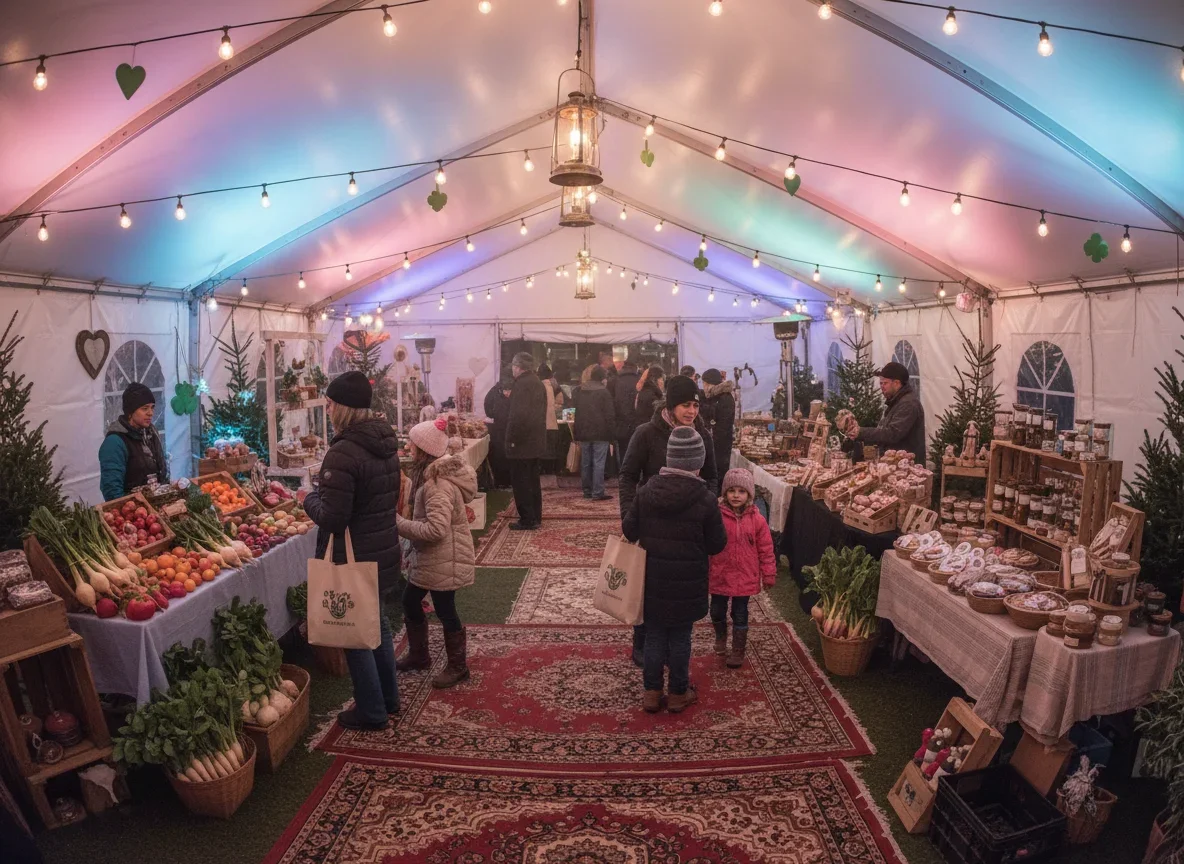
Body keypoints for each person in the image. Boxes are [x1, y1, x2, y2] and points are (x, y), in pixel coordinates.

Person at [303, 371, 401, 730]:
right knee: (378, 625)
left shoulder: (343, 452)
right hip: (383, 549)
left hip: (357, 554)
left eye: (329, 403)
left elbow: (333, 517)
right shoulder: (385, 442)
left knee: (355, 632)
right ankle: (389, 699)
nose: (326, 409)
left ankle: (372, 711)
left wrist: (309, 499)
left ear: (341, 407)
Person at [623, 426, 727, 713]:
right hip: (688, 584)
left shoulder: (646, 492)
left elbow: (629, 530)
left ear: (669, 458)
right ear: (698, 462)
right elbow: (717, 544)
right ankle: (679, 693)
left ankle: (651, 693)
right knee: (681, 637)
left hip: (652, 580)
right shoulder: (705, 499)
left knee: (654, 635)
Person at [619, 374, 719, 667]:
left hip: (689, 526)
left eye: (695, 405)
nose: (691, 411)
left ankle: (673, 651)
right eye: (685, 405)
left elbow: (713, 475)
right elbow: (627, 475)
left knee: (679, 588)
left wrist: (707, 507)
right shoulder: (646, 434)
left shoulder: (704, 436)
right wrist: (629, 512)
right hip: (652, 523)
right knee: (645, 585)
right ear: (671, 405)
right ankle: (642, 640)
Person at [394, 418, 478, 689]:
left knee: (445, 609)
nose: (408, 448)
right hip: (433, 558)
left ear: (424, 450)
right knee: (409, 601)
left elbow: (437, 530)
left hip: (443, 558)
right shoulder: (430, 478)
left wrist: (397, 524)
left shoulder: (437, 485)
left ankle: (458, 666)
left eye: (413, 444)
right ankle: (420, 655)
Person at [709, 468, 776, 668]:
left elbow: (766, 548)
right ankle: (721, 636)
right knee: (716, 610)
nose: (736, 495)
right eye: (732, 491)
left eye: (741, 491)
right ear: (725, 493)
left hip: (744, 576)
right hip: (720, 573)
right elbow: (707, 543)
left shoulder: (757, 519)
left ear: (749, 494)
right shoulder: (716, 516)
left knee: (740, 612)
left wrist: (769, 574)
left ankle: (738, 649)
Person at [845, 361, 926, 463]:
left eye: (885, 383)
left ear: (897, 383)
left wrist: (860, 431)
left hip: (907, 467)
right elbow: (883, 429)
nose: (882, 387)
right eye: (881, 383)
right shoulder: (897, 401)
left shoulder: (908, 404)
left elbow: (892, 433)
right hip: (898, 464)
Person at [99, 383, 169, 501]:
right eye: (145, 408)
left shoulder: (150, 433)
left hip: (156, 505)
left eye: (152, 407)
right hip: (134, 512)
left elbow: (160, 472)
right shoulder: (115, 442)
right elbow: (112, 491)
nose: (150, 413)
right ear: (130, 412)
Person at [505, 352, 548, 530]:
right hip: (535, 440)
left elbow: (518, 416)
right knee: (532, 481)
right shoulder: (538, 383)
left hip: (522, 443)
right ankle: (535, 516)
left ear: (518, 367)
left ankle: (527, 519)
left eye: (514, 367)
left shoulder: (522, 385)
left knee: (522, 482)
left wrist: (511, 439)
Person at [573, 366, 616, 501]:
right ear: (602, 378)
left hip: (584, 431)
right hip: (601, 432)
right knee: (598, 462)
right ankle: (598, 492)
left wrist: (576, 432)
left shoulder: (581, 391)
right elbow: (610, 415)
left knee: (586, 462)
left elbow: (577, 413)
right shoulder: (604, 393)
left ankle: (587, 490)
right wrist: (612, 434)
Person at [701, 368, 736, 477]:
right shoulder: (715, 397)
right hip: (715, 446)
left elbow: (723, 427)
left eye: (704, 383)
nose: (703, 387)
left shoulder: (724, 398)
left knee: (718, 475)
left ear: (708, 383)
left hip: (720, 448)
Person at [483, 368, 513, 488]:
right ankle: (501, 481)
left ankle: (506, 480)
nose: (507, 393)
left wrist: (492, 414)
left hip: (507, 426)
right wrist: (493, 414)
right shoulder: (495, 390)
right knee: (501, 453)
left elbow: (487, 403)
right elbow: (487, 404)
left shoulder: (496, 390)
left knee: (504, 453)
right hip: (500, 426)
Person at [613, 359, 641, 479]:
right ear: (636, 368)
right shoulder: (639, 381)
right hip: (637, 421)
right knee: (638, 450)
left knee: (624, 450)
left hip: (621, 422)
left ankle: (624, 476)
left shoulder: (615, 381)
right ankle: (636, 476)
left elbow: (613, 402)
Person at [539, 364, 560, 473]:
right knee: (551, 448)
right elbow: (560, 400)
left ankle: (544, 470)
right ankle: (551, 470)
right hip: (552, 422)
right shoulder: (554, 385)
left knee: (543, 448)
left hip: (542, 422)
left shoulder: (538, 386)